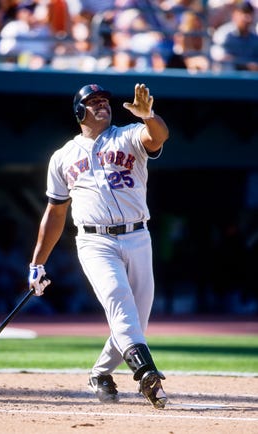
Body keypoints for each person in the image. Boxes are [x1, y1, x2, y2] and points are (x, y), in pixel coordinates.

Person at [28, 82, 169, 409]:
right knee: (119, 301)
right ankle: (146, 372)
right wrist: (37, 263)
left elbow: (158, 136)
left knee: (137, 321)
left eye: (104, 100)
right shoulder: (63, 156)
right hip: (94, 240)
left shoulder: (130, 134)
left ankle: (101, 373)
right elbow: (55, 211)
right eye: (93, 102)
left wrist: (149, 116)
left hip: (138, 235)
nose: (101, 105)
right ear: (79, 111)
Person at [210, 1, 258, 71]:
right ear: (235, 15)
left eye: (250, 14)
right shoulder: (224, 34)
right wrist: (243, 64)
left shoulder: (255, 38)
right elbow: (218, 56)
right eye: (244, 13)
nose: (247, 18)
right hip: (226, 77)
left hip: (250, 79)